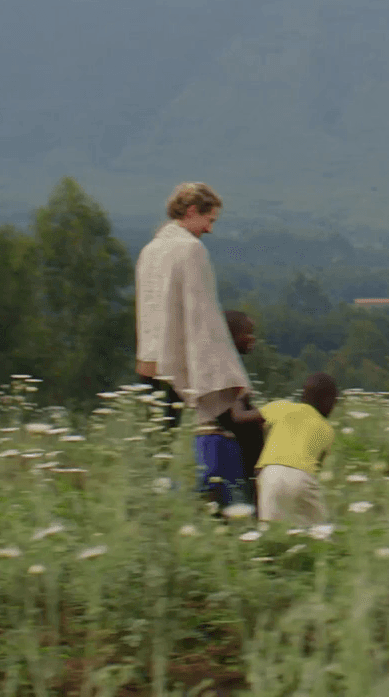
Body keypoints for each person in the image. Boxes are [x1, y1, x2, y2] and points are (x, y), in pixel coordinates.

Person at [134, 182, 249, 431]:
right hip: (175, 363)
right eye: (209, 219)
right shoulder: (192, 250)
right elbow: (203, 317)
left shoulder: (149, 250)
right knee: (237, 429)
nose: (209, 229)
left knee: (155, 443)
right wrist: (226, 373)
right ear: (191, 211)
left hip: (147, 364)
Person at [195, 310, 265, 508]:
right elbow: (236, 415)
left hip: (218, 445)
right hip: (223, 448)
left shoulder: (218, 364)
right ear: (231, 336)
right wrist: (272, 413)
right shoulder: (225, 369)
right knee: (231, 504)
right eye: (248, 332)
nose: (253, 338)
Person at [256, 373, 338, 526]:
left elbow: (247, 419)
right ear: (326, 400)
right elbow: (317, 466)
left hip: (269, 474)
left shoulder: (282, 407)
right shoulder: (327, 429)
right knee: (320, 531)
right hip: (302, 476)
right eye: (334, 402)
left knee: (270, 530)